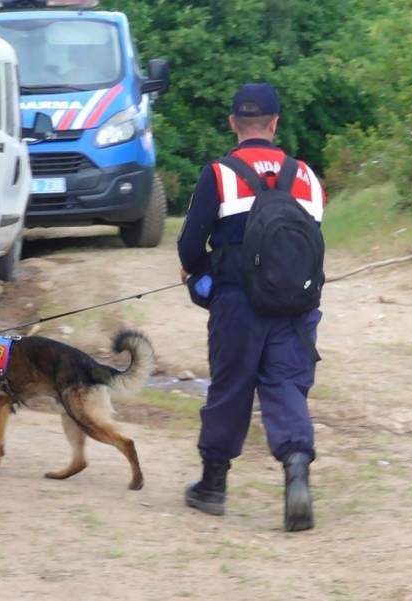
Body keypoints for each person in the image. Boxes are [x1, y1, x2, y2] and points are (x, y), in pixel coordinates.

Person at [177, 83, 326, 530]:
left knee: (230, 387)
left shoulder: (218, 174)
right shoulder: (305, 176)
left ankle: (213, 486)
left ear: (232, 124)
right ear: (275, 124)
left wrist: (202, 276)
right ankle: (296, 469)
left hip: (237, 303)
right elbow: (313, 243)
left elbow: (189, 246)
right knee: (285, 385)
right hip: (293, 304)